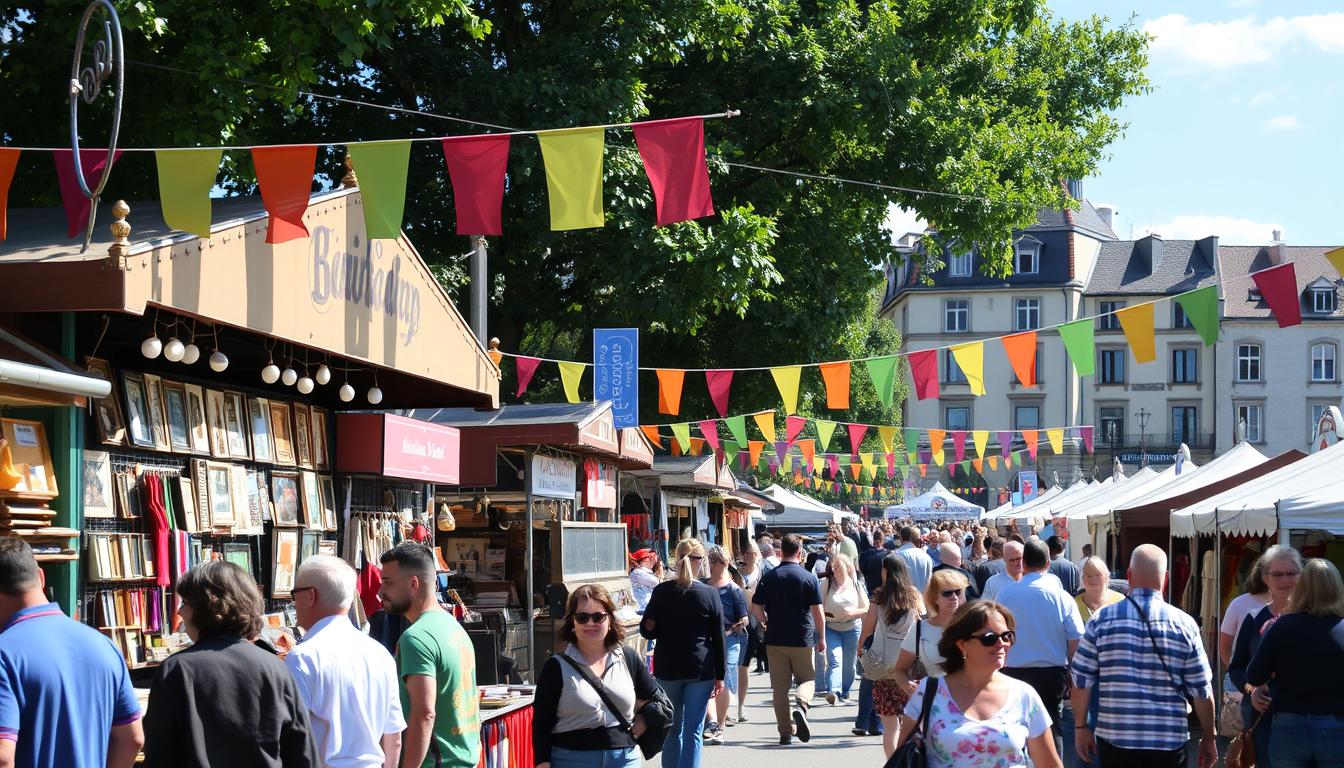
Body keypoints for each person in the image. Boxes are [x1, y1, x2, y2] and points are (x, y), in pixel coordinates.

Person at [143, 561, 319, 767]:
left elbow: (159, 753)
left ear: (207, 608)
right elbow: (302, 753)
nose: (180, 613)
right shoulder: (274, 667)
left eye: (185, 603)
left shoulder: (176, 670)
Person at [0, 538, 143, 768]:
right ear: (41, 577)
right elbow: (132, 739)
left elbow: (3, 756)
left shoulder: (4, 655)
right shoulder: (104, 645)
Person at [1071, 544, 1217, 768]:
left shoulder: (1100, 620)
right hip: (1168, 742)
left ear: (1129, 576)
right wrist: (1209, 737)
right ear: (1166, 578)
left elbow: (1081, 680)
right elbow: (1202, 689)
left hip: (1115, 740)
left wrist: (1081, 728)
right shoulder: (1185, 624)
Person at [894, 602, 1062, 768]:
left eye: (1007, 636)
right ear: (962, 644)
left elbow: (1049, 764)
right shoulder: (929, 691)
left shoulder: (1024, 694)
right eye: (990, 638)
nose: (1002, 644)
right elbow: (903, 760)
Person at [285, 555, 404, 768]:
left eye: (295, 593)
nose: (293, 601)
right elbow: (393, 738)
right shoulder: (380, 654)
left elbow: (292, 737)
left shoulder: (303, 657)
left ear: (311, 596)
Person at [379, 542, 480, 768]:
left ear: (413, 584)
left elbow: (424, 713)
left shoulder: (416, 637)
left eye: (387, 583)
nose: (380, 592)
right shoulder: (454, 627)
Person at [534, 584, 658, 768]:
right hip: (571, 760)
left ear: (610, 621)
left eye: (598, 617)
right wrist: (542, 763)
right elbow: (541, 724)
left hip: (624, 759)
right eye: (582, 617)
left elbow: (656, 699)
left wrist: (643, 720)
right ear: (572, 623)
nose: (590, 623)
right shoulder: (556, 667)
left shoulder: (627, 657)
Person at [1245, 558, 1344, 768]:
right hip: (1336, 726)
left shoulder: (1282, 626)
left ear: (1302, 587)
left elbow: (1254, 676)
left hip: (1289, 725)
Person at [640, 538, 725, 767]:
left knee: (672, 729)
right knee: (693, 731)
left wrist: (654, 624)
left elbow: (647, 631)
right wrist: (721, 675)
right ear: (700, 561)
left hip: (668, 667)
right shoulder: (709, 594)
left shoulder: (661, 591)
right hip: (701, 668)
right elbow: (719, 638)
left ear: (676, 560)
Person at [995, 540, 1083, 757]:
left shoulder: (1005, 595)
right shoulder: (1063, 598)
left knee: (1015, 732)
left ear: (1023, 563)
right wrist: (1073, 672)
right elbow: (1075, 641)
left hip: (1012, 672)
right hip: (1051, 674)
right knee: (1052, 731)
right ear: (1048, 563)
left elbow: (995, 634)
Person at [1229, 545, 1303, 766]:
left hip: (1303, 718)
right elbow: (1237, 666)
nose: (1285, 580)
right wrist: (1251, 688)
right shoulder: (1254, 619)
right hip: (1263, 719)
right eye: (1277, 574)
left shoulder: (1313, 618)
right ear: (1265, 578)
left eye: (1291, 573)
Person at [750, 533, 825, 746]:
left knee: (779, 689)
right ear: (800, 552)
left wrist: (764, 622)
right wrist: (822, 636)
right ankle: (801, 704)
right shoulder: (808, 577)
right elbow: (818, 611)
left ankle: (785, 732)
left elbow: (756, 605)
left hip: (775, 639)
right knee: (807, 680)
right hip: (802, 638)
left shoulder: (770, 577)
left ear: (780, 551)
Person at [855, 554, 923, 753]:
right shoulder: (914, 595)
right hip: (910, 664)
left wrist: (861, 643)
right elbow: (922, 622)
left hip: (883, 665)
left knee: (890, 727)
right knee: (911, 724)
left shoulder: (879, 594)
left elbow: (870, 624)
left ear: (885, 571)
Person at [702, 546, 747, 744]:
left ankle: (720, 725)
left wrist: (734, 627)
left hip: (730, 640)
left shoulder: (734, 590)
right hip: (707, 639)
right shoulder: (703, 586)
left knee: (725, 677)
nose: (714, 564)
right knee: (706, 679)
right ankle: (711, 721)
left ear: (726, 562)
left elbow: (744, 619)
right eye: (712, 560)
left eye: (718, 561)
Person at [820, 553, 868, 705]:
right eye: (834, 567)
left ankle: (845, 691)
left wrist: (853, 613)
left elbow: (867, 607)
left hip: (852, 628)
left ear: (848, 568)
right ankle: (833, 690)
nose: (836, 571)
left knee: (849, 665)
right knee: (835, 660)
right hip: (831, 628)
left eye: (839, 567)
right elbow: (818, 606)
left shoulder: (856, 584)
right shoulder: (826, 584)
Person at [1074, 556, 1124, 623]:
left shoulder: (1120, 601)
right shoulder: (1074, 604)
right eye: (1089, 576)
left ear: (1106, 577)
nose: (1093, 579)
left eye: (1098, 575)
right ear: (1083, 578)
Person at [894, 525, 934, 593]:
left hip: (906, 598)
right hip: (923, 598)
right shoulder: (925, 555)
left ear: (901, 538)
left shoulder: (898, 555)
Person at [630, 549, 661, 613]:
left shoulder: (642, 572)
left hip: (648, 607)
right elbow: (657, 583)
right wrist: (661, 572)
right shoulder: (637, 572)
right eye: (651, 559)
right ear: (645, 560)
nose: (653, 564)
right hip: (643, 609)